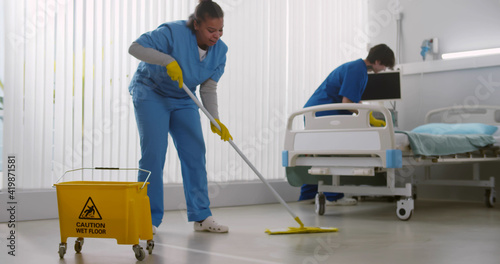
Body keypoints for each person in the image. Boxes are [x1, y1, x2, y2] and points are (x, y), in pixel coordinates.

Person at [128, 0, 231, 233]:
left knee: (195, 151)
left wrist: (215, 120)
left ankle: (201, 216)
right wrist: (168, 60)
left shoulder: (220, 51)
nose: (217, 36)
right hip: (151, 92)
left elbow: (208, 87)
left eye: (220, 30)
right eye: (211, 30)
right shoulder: (172, 32)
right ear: (196, 24)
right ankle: (148, 218)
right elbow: (135, 48)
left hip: (184, 98)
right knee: (154, 153)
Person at [300, 44, 395, 205]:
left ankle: (308, 195)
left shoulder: (356, 68)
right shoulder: (358, 70)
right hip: (324, 113)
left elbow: (352, 99)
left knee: (319, 153)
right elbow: (347, 102)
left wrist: (366, 113)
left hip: (317, 112)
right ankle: (333, 197)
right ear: (378, 61)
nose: (385, 69)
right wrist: (367, 116)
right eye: (385, 65)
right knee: (333, 152)